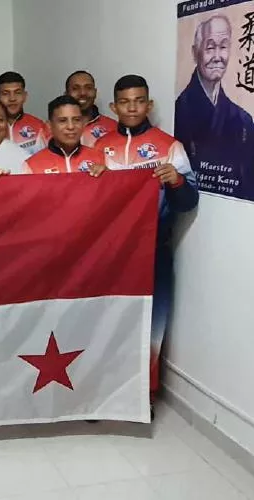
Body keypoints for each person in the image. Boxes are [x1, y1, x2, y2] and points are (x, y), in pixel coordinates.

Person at [95, 75, 199, 418]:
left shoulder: (170, 147)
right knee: (105, 321)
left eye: (139, 100)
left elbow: (187, 203)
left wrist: (177, 181)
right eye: (125, 102)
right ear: (114, 107)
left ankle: (145, 394)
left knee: (152, 323)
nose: (132, 107)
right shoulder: (99, 147)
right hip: (107, 253)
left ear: (149, 104)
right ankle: (102, 390)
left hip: (153, 249)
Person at [175, 14, 254, 200]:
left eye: (224, 47)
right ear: (195, 52)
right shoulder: (179, 111)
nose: (217, 57)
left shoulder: (243, 120)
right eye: (210, 47)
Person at [23, 95, 107, 176]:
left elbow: (115, 188)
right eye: (63, 121)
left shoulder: (101, 158)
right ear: (49, 126)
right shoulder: (32, 165)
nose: (71, 126)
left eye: (76, 120)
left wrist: (109, 176)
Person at [0, 71, 46, 155]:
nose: (12, 98)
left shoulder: (39, 126)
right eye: (5, 93)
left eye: (17, 92)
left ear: (25, 96)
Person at [65, 70, 118, 147]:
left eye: (88, 88)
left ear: (95, 92)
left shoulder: (113, 127)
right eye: (75, 88)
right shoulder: (54, 129)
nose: (83, 93)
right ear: (66, 94)